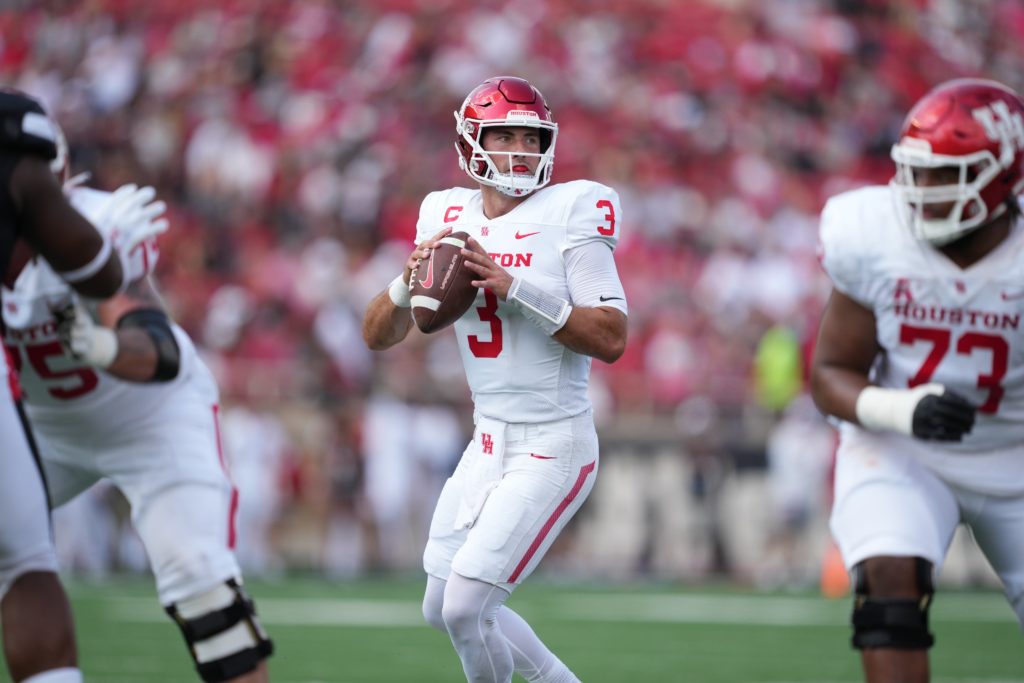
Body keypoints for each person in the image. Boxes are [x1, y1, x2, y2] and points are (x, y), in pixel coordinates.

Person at [362, 75, 628, 683]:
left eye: (530, 138)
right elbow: (379, 335)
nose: (519, 150)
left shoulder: (572, 211)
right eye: (503, 135)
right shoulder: (443, 212)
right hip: (487, 441)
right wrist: (407, 283)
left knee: (466, 607)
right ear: (470, 143)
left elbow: (612, 337)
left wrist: (518, 291)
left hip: (553, 441)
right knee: (439, 607)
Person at [1, 127, 274, 683]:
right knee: (16, 568)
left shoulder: (95, 226)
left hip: (149, 419)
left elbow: (160, 352)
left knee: (202, 583)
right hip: (40, 430)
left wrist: (99, 345)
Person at [811, 78, 1024, 683]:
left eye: (946, 175)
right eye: (917, 172)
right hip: (904, 449)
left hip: (1017, 452)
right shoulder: (875, 235)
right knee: (888, 583)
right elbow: (830, 374)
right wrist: (902, 411)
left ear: (1005, 174)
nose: (923, 192)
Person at [0, 89, 164, 683]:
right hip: (53, 420)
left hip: (114, 414)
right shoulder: (32, 170)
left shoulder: (89, 210)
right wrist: (108, 255)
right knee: (24, 562)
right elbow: (92, 270)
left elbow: (160, 352)